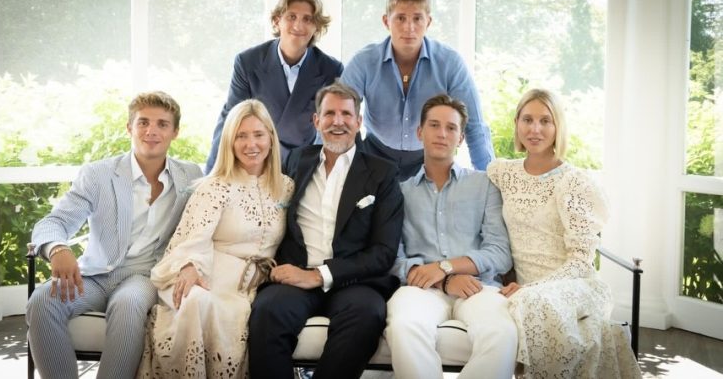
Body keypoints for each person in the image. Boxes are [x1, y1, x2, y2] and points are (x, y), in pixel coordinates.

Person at [26, 91, 203, 379]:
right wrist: (57, 248)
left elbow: (204, 226)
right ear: (129, 127)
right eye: (143, 122)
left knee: (128, 304)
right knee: (42, 300)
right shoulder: (98, 174)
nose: (151, 131)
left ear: (175, 132)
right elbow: (55, 221)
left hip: (145, 277)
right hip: (94, 276)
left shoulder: (191, 175)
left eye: (162, 124)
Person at [248, 81, 404, 379]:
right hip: (295, 274)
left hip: (355, 281)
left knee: (366, 315)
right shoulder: (296, 160)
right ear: (316, 120)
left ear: (358, 122)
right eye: (329, 113)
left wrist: (319, 276)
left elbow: (383, 253)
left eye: (346, 114)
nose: (338, 121)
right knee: (267, 312)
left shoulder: (383, 172)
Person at [487, 89, 642, 378]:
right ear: (516, 123)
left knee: (531, 302)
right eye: (527, 119)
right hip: (523, 285)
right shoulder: (502, 173)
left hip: (572, 286)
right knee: (525, 302)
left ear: (558, 126)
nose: (535, 129)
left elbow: (581, 262)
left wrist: (533, 289)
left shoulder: (573, 182)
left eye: (545, 121)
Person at [136, 99, 294, 378]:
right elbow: (194, 237)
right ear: (230, 142)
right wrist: (189, 265)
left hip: (258, 283)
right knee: (197, 301)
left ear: (271, 138)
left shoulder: (286, 186)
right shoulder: (216, 186)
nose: (251, 144)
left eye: (258, 134)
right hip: (214, 275)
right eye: (241, 136)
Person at [385, 94, 516, 379]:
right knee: (404, 326)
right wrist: (443, 280)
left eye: (451, 127)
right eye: (434, 125)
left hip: (478, 287)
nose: (442, 134)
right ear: (420, 132)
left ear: (461, 138)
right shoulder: (400, 192)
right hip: (421, 289)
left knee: (502, 333)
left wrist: (446, 267)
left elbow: (500, 253)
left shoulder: (484, 185)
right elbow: (392, 258)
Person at [340, 0, 493, 179]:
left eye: (417, 18)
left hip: (430, 158)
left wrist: (490, 181)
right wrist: (321, 169)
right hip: (374, 155)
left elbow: (474, 126)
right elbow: (337, 114)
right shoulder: (364, 61)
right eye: (400, 18)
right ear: (386, 21)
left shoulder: (450, 63)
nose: (409, 27)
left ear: (428, 22)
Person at [204, 0, 343, 173]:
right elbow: (231, 119)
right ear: (277, 21)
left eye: (307, 19)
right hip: (256, 161)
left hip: (303, 165)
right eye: (291, 17)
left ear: (316, 26)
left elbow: (330, 127)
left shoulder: (331, 69)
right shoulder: (248, 62)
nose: (298, 25)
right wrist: (212, 174)